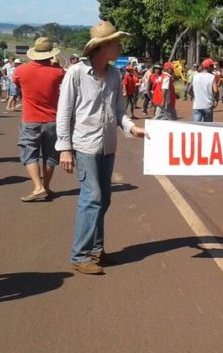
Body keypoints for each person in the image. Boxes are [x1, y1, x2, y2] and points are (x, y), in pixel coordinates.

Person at [55, 21, 145, 275]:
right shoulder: (76, 73)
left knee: (104, 198)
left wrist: (131, 127)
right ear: (103, 46)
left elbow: (119, 110)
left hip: (107, 145)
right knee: (92, 197)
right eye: (116, 43)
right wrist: (64, 148)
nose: (120, 47)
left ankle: (96, 249)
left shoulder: (114, 74)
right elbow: (64, 112)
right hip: (85, 144)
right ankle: (80, 254)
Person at [13, 37, 65, 202]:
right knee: (50, 156)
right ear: (51, 54)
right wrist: (56, 65)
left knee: (30, 154)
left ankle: (38, 187)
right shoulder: (58, 72)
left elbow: (16, 83)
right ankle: (46, 187)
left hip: (30, 120)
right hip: (52, 120)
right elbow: (63, 77)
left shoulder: (21, 70)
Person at [188, 58, 218, 122]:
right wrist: (216, 100)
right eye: (212, 66)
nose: (213, 67)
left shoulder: (195, 76)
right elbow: (216, 91)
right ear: (209, 67)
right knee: (208, 126)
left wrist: (194, 96)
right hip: (208, 105)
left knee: (196, 126)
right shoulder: (212, 77)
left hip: (197, 106)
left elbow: (189, 90)